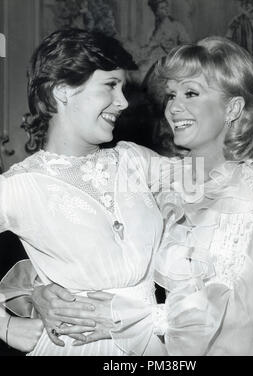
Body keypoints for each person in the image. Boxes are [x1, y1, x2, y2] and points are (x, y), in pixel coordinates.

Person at [15, 37, 253, 356]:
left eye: (191, 93)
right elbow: (90, 249)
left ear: (232, 108)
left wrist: (138, 319)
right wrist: (41, 291)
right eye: (172, 95)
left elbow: (252, 318)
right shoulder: (153, 176)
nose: (174, 107)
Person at [0, 27, 189, 356]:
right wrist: (6, 326)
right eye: (110, 86)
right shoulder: (19, 186)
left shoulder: (134, 160)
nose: (124, 102)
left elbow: (214, 181)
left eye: (124, 88)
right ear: (63, 91)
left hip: (155, 347)